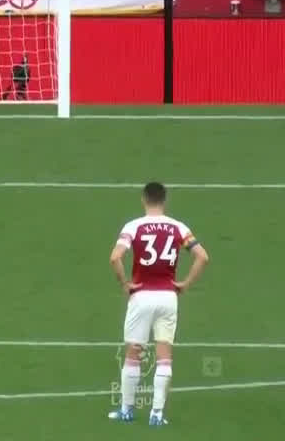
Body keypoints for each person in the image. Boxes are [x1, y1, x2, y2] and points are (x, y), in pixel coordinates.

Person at [107, 182, 210, 426]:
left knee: (134, 353)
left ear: (144, 199)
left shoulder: (133, 226)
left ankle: (127, 410)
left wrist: (125, 283)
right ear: (165, 200)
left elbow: (115, 257)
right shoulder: (178, 227)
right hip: (167, 297)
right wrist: (185, 284)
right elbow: (203, 257)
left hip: (141, 296)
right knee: (164, 356)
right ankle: (157, 414)